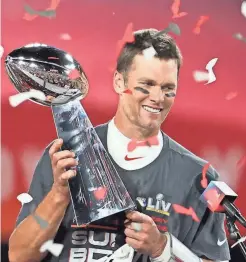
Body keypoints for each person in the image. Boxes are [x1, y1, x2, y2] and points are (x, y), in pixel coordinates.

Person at [8, 29, 231, 262]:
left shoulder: (200, 178)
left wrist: (163, 249)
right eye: (146, 84)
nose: (157, 97)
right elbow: (19, 256)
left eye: (168, 89)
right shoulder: (66, 157)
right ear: (118, 82)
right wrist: (59, 195)